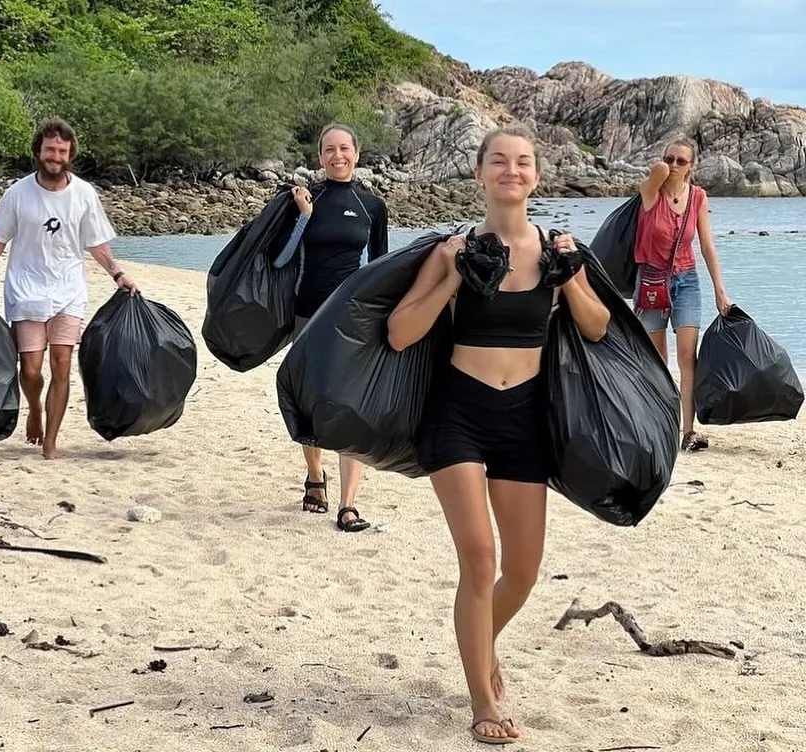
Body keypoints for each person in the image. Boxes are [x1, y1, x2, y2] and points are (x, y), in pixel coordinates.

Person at [386, 126, 610, 744]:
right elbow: (402, 332)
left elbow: (595, 327)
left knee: (525, 570)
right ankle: (483, 701)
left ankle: (479, 644)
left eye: (524, 162)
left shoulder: (557, 248)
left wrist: (567, 276)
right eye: (499, 161)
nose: (512, 170)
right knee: (480, 559)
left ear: (536, 175)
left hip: (524, 419)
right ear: (481, 173)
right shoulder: (452, 249)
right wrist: (458, 276)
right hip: (458, 413)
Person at [0, 117, 139, 460]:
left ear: (70, 154)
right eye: (49, 150)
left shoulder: (84, 194)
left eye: (62, 151)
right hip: (25, 290)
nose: (55, 156)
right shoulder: (18, 193)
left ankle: (51, 443)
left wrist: (118, 275)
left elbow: (97, 245)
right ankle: (34, 408)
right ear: (38, 152)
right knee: (29, 369)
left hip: (69, 290)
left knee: (61, 362)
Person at [272, 123, 389, 533]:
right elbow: (282, 259)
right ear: (319, 156)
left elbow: (380, 267)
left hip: (351, 318)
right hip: (306, 314)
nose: (337, 155)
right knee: (309, 402)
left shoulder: (372, 206)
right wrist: (303, 218)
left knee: (349, 406)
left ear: (357, 153)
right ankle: (315, 474)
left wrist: (384, 320)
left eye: (344, 148)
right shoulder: (307, 199)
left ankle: (348, 505)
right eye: (328, 149)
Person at [633, 137, 731, 452]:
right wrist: (665, 167)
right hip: (651, 282)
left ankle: (688, 432)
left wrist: (719, 288)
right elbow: (658, 171)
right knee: (658, 361)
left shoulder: (698, 198)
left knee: (688, 358)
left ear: (692, 167)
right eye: (670, 159)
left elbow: (706, 245)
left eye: (682, 161)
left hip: (687, 281)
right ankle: (662, 425)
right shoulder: (650, 193)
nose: (674, 166)